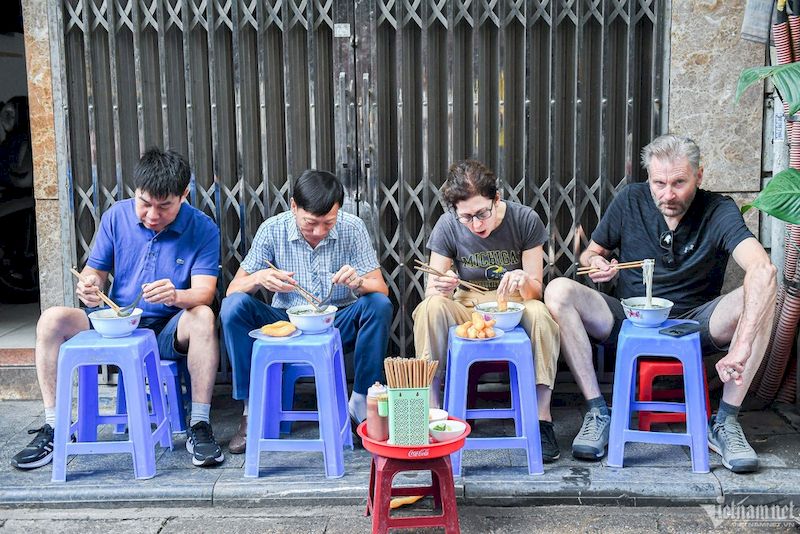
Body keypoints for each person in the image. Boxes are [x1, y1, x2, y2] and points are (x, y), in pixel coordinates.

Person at [543, 134, 776, 473]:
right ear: (648, 178)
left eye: (679, 183)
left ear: (699, 175)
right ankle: (596, 410)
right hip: (629, 316)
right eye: (659, 183)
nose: (668, 194)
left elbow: (761, 267)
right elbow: (591, 252)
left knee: (765, 286)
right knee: (559, 290)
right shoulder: (630, 200)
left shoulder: (718, 209)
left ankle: (725, 421)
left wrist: (740, 346)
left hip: (695, 321)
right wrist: (597, 264)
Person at [11, 148, 225, 470]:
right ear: (134, 192)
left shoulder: (202, 228)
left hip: (167, 327)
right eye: (144, 203)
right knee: (51, 320)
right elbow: (94, 271)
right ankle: (55, 427)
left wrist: (176, 295)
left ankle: (199, 425)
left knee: (203, 317)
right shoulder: (116, 216)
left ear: (184, 195)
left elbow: (205, 293)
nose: (152, 215)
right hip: (114, 321)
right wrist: (89, 285)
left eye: (164, 206)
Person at [220, 169, 393, 454]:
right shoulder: (272, 229)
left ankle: (359, 406)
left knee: (378, 305)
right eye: (310, 223)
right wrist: (259, 278)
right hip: (285, 324)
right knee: (234, 306)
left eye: (328, 223)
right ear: (293, 206)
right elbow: (233, 289)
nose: (319, 231)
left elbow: (380, 289)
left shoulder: (353, 227)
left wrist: (359, 283)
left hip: (337, 320)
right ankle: (252, 411)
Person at [412, 160, 562, 462]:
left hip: (516, 306)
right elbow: (432, 289)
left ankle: (541, 420)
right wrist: (443, 286)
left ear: (497, 199)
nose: (477, 224)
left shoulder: (524, 220)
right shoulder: (448, 226)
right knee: (430, 308)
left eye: (482, 213)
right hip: (469, 305)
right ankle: (433, 416)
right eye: (466, 217)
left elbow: (537, 290)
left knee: (542, 316)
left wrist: (523, 281)